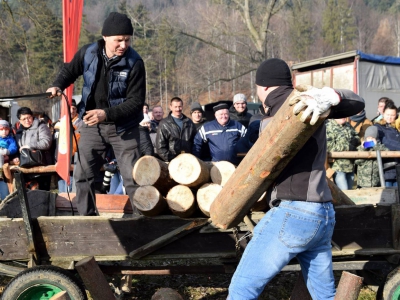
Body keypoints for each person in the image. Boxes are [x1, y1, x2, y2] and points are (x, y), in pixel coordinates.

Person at [227, 58, 364, 300]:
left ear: (265, 87)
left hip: (292, 212)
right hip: (323, 215)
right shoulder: (311, 105)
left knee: (242, 289)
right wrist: (333, 96)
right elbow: (357, 103)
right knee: (324, 296)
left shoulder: (276, 118)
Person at [46, 12, 146, 216]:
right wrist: (57, 85)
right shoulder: (88, 53)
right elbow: (69, 71)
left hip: (124, 128)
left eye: (127, 40)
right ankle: (87, 218)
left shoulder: (135, 62)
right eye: (119, 40)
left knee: (133, 177)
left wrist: (106, 114)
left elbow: (136, 103)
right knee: (83, 175)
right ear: (105, 37)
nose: (124, 45)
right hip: (92, 124)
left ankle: (141, 221)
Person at [13, 107, 53, 190]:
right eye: (24, 119)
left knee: (42, 196)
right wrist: (15, 157)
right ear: (19, 121)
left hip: (42, 167)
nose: (27, 120)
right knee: (29, 198)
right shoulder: (19, 132)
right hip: (25, 168)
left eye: (29, 117)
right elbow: (17, 148)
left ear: (32, 116)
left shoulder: (41, 126)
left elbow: (46, 143)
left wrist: (29, 146)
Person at [54, 99, 83, 193]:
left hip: (73, 159)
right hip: (59, 159)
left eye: (74, 108)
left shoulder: (80, 124)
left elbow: (77, 142)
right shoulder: (57, 124)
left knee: (71, 190)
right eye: (69, 108)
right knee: (62, 191)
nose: (71, 111)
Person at [155, 97, 197, 162]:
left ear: (182, 106)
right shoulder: (164, 124)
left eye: (180, 106)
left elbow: (196, 143)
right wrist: (173, 160)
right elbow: (160, 147)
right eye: (175, 107)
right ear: (170, 107)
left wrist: (193, 158)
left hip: (188, 161)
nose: (178, 109)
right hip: (171, 162)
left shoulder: (189, 122)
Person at [326, 118, 360, 190]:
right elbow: (329, 146)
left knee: (350, 193)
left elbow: (357, 136)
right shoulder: (329, 127)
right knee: (343, 192)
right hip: (337, 167)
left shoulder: (348, 125)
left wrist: (356, 140)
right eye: (341, 115)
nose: (343, 117)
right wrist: (348, 147)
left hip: (350, 166)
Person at [374, 101, 400, 187]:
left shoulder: (397, 127)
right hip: (387, 167)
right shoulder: (378, 127)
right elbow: (384, 141)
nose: (390, 117)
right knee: (388, 194)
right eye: (388, 114)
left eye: (392, 115)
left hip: (398, 166)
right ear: (383, 113)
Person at [0, 120, 18, 190]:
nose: (4, 132)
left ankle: (0, 172)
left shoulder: (10, 139)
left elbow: (14, 147)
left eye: (6, 130)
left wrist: (8, 151)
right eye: (1, 130)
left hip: (5, 156)